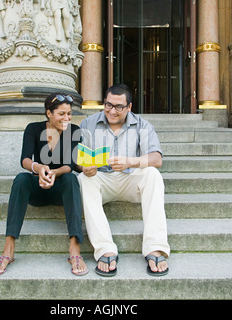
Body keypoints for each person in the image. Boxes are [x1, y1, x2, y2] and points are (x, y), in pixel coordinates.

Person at [0, 93, 88, 277]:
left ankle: (75, 250)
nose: (66, 118)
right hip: (38, 187)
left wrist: (54, 173)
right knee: (21, 179)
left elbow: (71, 164)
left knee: (71, 178)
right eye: (61, 114)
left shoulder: (74, 131)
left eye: (69, 114)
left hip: (60, 188)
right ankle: (8, 251)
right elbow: (25, 159)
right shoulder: (33, 129)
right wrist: (40, 168)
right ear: (49, 113)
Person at [76, 84, 170, 277]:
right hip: (102, 180)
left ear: (129, 107)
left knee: (152, 174)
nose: (112, 110)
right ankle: (105, 249)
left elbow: (156, 159)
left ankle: (155, 248)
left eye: (119, 107)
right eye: (108, 105)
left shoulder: (143, 125)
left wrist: (131, 161)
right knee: (82, 178)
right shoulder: (88, 124)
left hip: (130, 180)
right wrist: (84, 167)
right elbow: (78, 158)